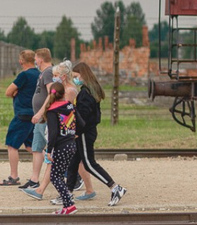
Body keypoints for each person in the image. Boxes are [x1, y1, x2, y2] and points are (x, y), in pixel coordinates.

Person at [23, 60, 92, 201]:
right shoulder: (60, 89)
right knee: (75, 161)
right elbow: (50, 100)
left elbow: (63, 110)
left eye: (55, 75)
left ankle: (42, 190)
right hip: (65, 131)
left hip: (64, 131)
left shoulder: (69, 91)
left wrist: (46, 115)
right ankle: (89, 189)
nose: (53, 78)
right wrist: (40, 114)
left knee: (56, 161)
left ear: (63, 76)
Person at [66, 61, 127, 206]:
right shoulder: (90, 90)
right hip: (87, 131)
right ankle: (66, 194)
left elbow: (83, 117)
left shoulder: (85, 93)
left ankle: (115, 187)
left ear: (82, 75)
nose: (75, 79)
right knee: (73, 162)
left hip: (84, 133)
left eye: (76, 76)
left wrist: (76, 132)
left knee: (89, 164)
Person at [2, 50, 40, 186]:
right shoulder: (39, 74)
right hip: (35, 114)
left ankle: (14, 176)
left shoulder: (23, 75)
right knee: (32, 147)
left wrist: (16, 93)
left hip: (22, 114)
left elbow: (8, 91)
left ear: (21, 61)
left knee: (12, 144)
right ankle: (62, 169)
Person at [20, 48, 54, 190]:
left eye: (36, 58)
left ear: (40, 58)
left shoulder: (48, 72)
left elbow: (52, 93)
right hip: (40, 119)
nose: (34, 61)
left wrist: (41, 112)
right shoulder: (43, 73)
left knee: (54, 149)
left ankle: (75, 175)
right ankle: (34, 179)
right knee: (36, 148)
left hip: (45, 117)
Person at [42, 81, 78, 215]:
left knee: (55, 176)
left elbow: (53, 133)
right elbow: (80, 121)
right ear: (64, 93)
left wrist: (48, 150)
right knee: (60, 175)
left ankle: (69, 205)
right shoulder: (70, 106)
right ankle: (68, 205)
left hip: (61, 147)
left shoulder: (52, 111)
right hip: (71, 145)